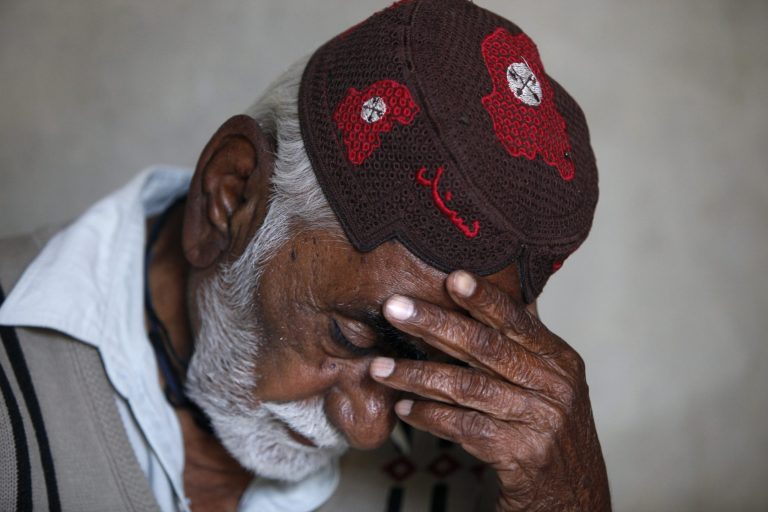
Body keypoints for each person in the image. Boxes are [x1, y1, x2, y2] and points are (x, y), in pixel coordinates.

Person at [0, 0, 610, 510]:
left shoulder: (488, 478)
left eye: (441, 363)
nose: (369, 427)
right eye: (349, 336)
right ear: (231, 195)